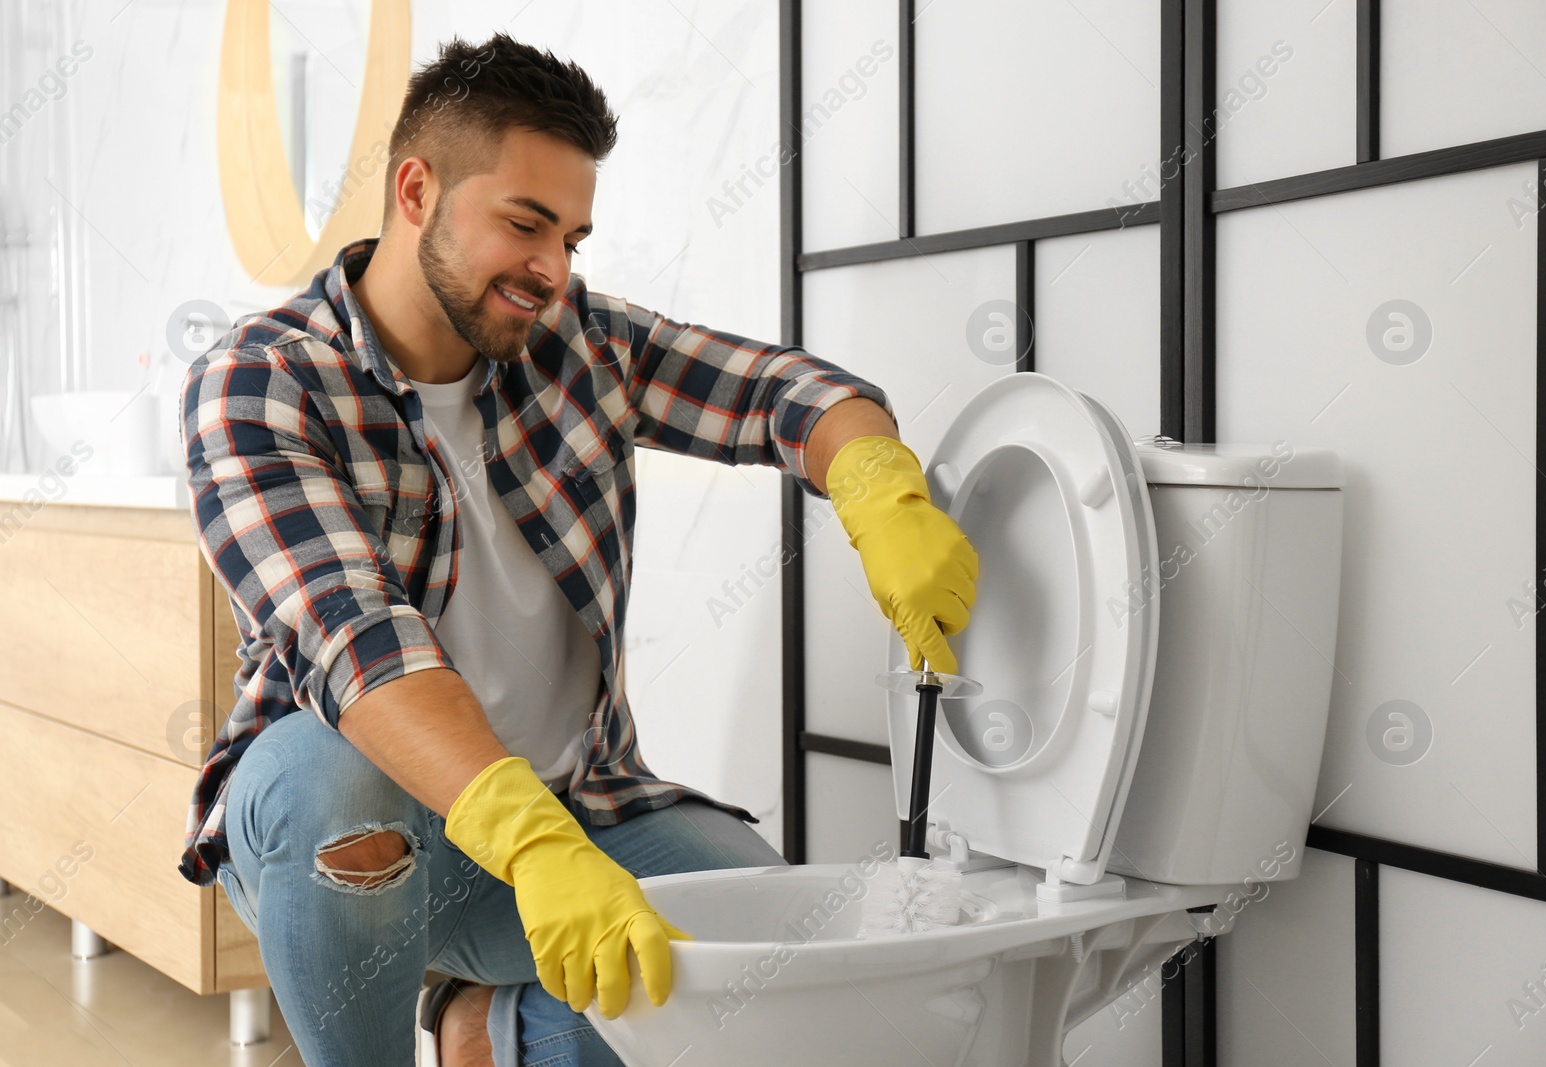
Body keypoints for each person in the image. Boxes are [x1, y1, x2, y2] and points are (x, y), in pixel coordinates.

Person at [177, 32, 978, 1067]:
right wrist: (530, 841)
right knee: (337, 787)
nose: (552, 269)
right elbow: (354, 641)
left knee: (776, 954)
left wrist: (875, 482)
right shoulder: (262, 382)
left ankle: (488, 1026)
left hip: (576, 804)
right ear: (416, 189)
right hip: (356, 835)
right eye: (525, 224)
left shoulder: (579, 344)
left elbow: (786, 391)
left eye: (572, 236)